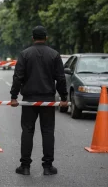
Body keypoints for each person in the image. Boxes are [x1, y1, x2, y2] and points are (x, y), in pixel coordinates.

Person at [9, 26, 68, 176]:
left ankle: (25, 166)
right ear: (46, 38)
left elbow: (18, 77)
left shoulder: (25, 54)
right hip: (48, 100)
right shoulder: (54, 55)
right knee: (48, 131)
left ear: (32, 38)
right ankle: (48, 167)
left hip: (29, 100)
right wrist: (64, 98)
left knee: (27, 131)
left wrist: (14, 96)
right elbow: (60, 78)